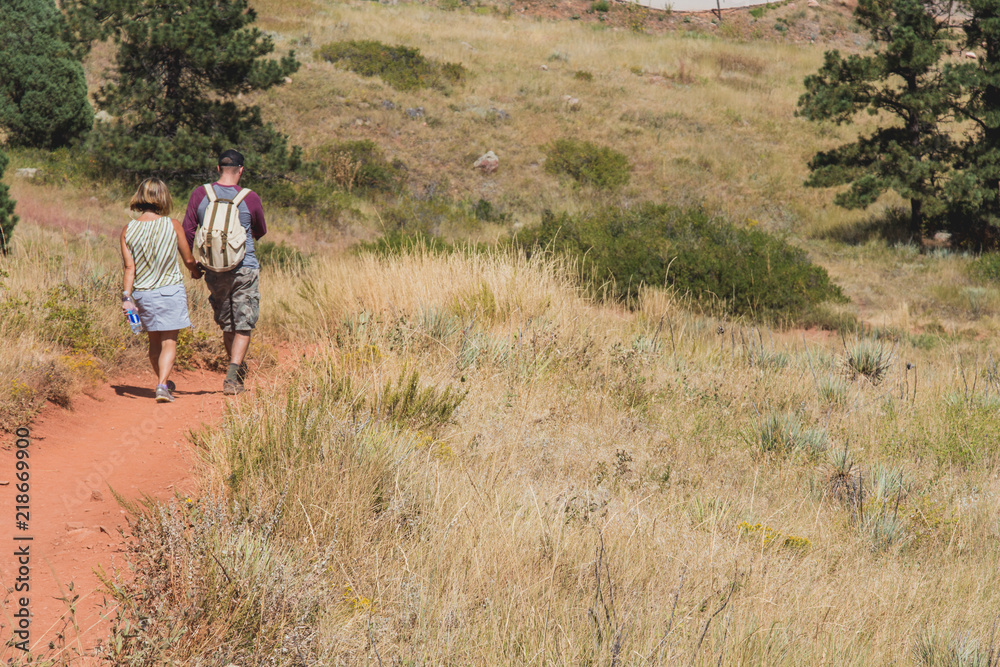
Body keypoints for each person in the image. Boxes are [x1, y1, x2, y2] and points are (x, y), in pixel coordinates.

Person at [183, 149, 267, 395]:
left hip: (213, 269)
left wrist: (192, 265)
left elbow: (188, 231)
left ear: (218, 169)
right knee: (244, 323)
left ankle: (235, 371)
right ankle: (232, 377)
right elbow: (260, 230)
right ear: (241, 171)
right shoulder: (249, 198)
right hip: (245, 267)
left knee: (228, 324)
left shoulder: (201, 194)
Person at [121, 178, 200, 403]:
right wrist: (195, 271)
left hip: (143, 294)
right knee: (169, 342)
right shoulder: (173, 225)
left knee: (154, 343)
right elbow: (187, 258)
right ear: (163, 197)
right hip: (170, 291)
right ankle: (162, 385)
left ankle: (162, 383)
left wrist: (126, 297)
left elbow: (129, 268)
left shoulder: (128, 229)